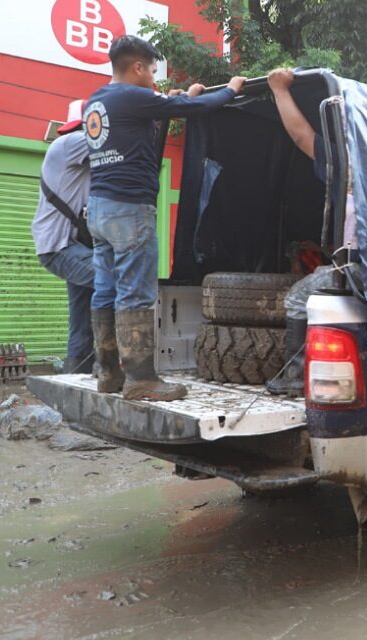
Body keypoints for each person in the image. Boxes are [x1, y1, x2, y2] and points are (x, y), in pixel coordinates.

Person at [84, 35, 245, 400]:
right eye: (153, 71)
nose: (155, 79)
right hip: (129, 209)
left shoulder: (98, 100)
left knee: (106, 290)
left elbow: (160, 109)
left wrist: (179, 97)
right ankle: (142, 380)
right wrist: (231, 90)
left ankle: (108, 373)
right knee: (135, 292)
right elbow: (197, 110)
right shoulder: (133, 96)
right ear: (137, 67)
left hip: (99, 208)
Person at [266, 67, 360, 396]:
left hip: (361, 268)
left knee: (297, 297)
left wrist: (279, 90)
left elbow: (301, 135)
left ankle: (294, 375)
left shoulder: (348, 163)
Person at [33, 100, 95, 375]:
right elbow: (118, 143)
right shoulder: (73, 142)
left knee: (81, 314)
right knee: (113, 279)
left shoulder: (77, 157)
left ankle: (78, 372)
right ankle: (119, 363)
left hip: (72, 246)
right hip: (59, 247)